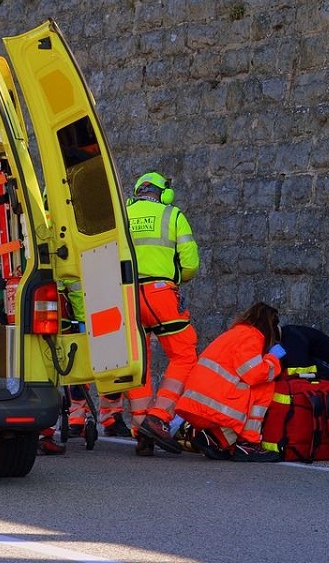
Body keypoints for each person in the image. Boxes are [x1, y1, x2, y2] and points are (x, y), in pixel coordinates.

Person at [124, 172, 201, 456]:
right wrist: (177, 278)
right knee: (184, 355)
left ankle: (141, 425)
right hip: (160, 295)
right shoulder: (172, 215)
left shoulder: (123, 215)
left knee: (138, 360)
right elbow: (190, 263)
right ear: (164, 193)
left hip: (127, 296)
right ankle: (158, 417)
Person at [174, 302, 286, 462]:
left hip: (196, 405)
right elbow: (254, 374)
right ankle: (247, 443)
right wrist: (273, 359)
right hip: (211, 408)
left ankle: (217, 438)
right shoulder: (253, 337)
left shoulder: (235, 333)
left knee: (248, 389)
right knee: (265, 385)